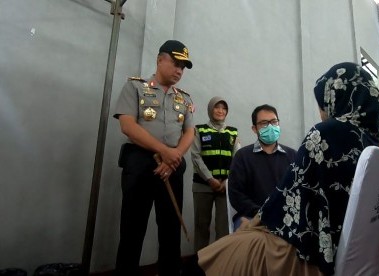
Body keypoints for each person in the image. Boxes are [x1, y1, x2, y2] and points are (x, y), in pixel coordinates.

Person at [198, 62, 379, 275]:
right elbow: (241, 194)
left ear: (336, 98)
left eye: (322, 104)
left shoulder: (324, 135)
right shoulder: (373, 143)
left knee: (214, 258)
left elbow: (290, 203)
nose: (322, 112)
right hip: (346, 245)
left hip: (304, 245)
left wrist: (258, 222)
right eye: (263, 124)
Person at [113, 40, 194, 276]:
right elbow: (127, 125)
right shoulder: (136, 87)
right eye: (176, 63)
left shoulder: (184, 98)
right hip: (140, 161)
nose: (180, 70)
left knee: (170, 229)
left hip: (174, 164)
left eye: (184, 67)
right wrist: (165, 151)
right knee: (132, 228)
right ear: (160, 60)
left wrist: (174, 155)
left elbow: (190, 131)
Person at [227, 104, 297, 230]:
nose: (270, 126)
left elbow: (300, 190)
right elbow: (236, 195)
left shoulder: (293, 156)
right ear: (254, 128)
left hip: (286, 217)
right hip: (251, 217)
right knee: (251, 241)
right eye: (264, 123)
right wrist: (262, 213)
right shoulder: (242, 157)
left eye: (274, 122)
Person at [191, 96, 241, 252]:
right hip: (202, 186)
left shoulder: (232, 132)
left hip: (225, 188)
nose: (220, 111)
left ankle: (220, 264)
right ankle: (199, 265)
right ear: (210, 109)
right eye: (217, 107)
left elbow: (237, 159)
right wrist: (210, 179)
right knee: (201, 226)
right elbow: (195, 157)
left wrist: (226, 181)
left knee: (224, 228)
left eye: (224, 108)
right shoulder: (199, 130)